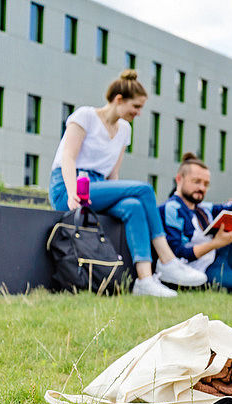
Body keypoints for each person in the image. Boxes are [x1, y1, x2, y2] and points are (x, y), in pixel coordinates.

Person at [49, 69, 207, 297]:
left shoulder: (124, 130)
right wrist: (73, 192)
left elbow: (113, 176)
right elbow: (68, 158)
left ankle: (144, 280)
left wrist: (118, 195)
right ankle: (167, 259)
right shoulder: (85, 116)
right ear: (119, 100)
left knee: (133, 205)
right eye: (136, 106)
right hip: (69, 186)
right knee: (143, 189)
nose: (139, 113)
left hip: (97, 188)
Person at [160, 152, 232, 291]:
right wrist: (216, 243)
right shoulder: (171, 209)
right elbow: (177, 255)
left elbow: (231, 207)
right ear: (179, 179)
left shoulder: (202, 208)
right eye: (196, 182)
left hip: (218, 258)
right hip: (199, 269)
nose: (202, 188)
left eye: (206, 184)